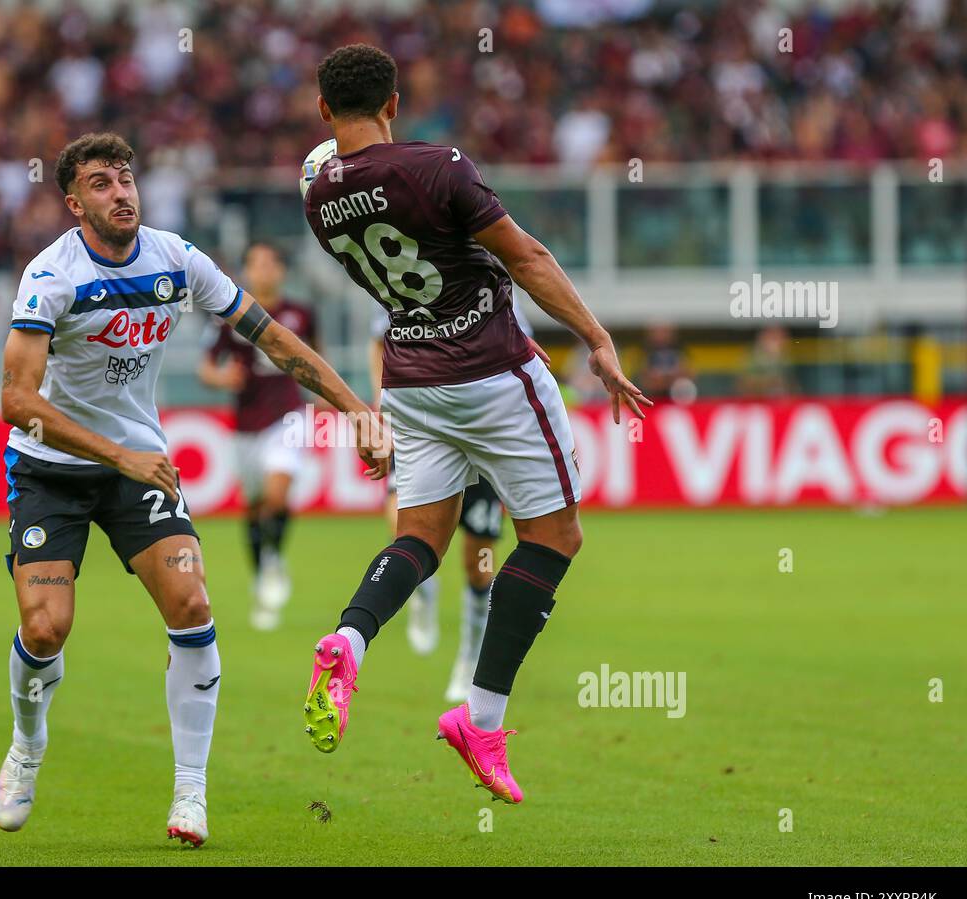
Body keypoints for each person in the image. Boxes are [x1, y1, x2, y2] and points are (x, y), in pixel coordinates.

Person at [0, 132, 384, 846]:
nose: (122, 192)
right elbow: (17, 401)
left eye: (127, 177)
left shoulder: (176, 259)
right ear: (74, 202)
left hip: (138, 468)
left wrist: (355, 410)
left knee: (192, 599)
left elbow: (272, 340)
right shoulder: (51, 276)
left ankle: (191, 795)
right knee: (45, 627)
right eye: (102, 184)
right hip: (51, 467)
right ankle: (28, 744)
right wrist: (117, 453)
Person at [300, 45, 650, 803]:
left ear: (324, 111)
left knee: (418, 537)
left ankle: (350, 637)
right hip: (492, 373)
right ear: (394, 101)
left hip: (412, 387)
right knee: (554, 537)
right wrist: (595, 337)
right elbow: (524, 257)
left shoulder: (318, 198)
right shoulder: (438, 166)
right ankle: (481, 718)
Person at [370, 298, 537, 702]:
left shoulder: (496, 297)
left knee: (479, 565)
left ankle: (469, 656)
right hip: (423, 426)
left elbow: (527, 356)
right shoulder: (411, 282)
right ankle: (421, 586)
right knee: (403, 525)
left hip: (480, 439)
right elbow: (379, 340)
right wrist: (381, 395)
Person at [198, 242, 318, 630]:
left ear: (281, 271)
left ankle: (273, 563)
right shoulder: (229, 317)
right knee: (253, 507)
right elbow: (206, 368)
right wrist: (221, 378)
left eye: (270, 264)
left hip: (288, 415)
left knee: (277, 493)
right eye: (255, 264)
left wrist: (327, 399)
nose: (263, 271)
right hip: (246, 421)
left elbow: (317, 359)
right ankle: (263, 572)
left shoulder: (300, 314)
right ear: (246, 272)